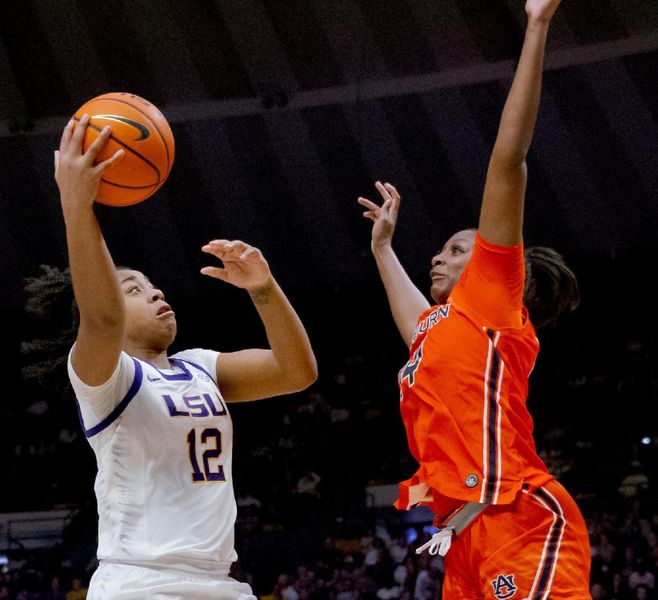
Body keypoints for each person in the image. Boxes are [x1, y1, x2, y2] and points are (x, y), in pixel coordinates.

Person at [356, 0, 589, 598]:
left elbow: (507, 164)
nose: (439, 256)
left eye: (457, 249)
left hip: (521, 518)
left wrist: (535, 26)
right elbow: (413, 324)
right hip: (462, 537)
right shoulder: (439, 328)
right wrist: (384, 249)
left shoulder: (490, 303)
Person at [54, 115, 317, 598]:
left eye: (155, 287)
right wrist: (77, 204)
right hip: (140, 583)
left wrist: (264, 288)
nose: (156, 295)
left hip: (219, 581)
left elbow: (296, 371)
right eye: (134, 289)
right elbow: (104, 318)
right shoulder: (104, 377)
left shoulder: (199, 365)